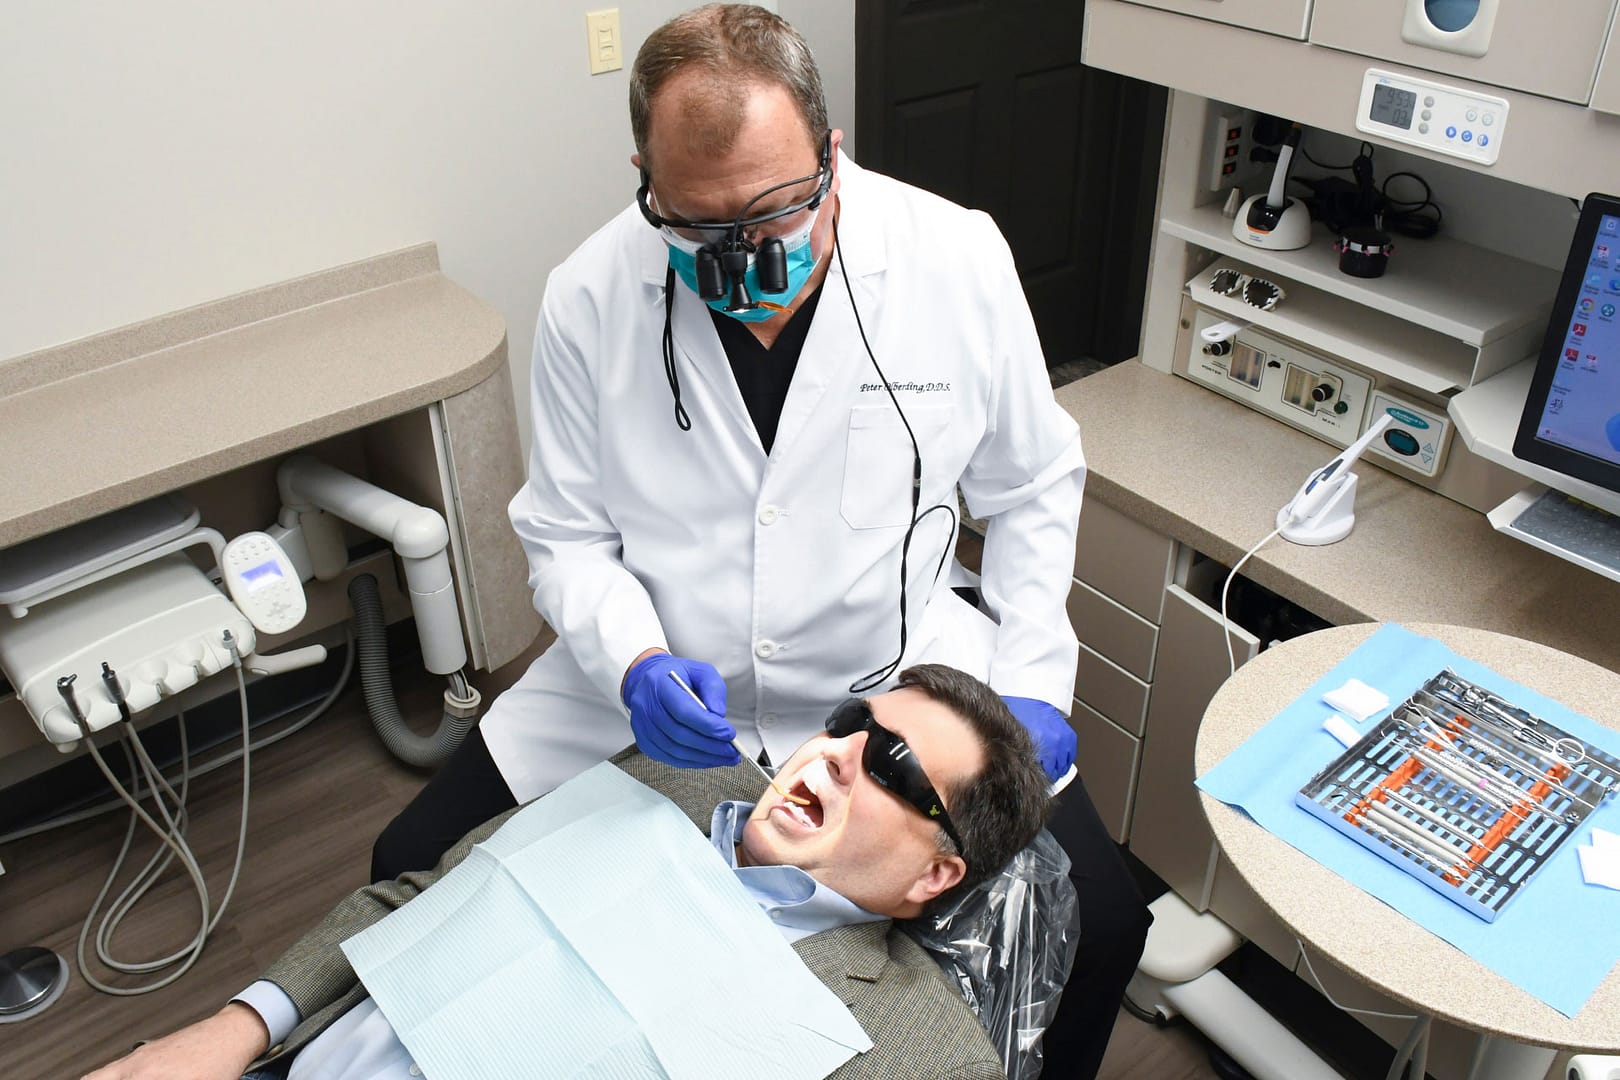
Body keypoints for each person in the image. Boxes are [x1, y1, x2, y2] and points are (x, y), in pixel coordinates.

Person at [370, 6, 1151, 1075]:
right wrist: (634, 662)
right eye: (698, 226)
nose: (743, 258)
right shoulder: (590, 295)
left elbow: (1032, 486)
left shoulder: (953, 259)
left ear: (831, 152)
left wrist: (1033, 686)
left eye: (778, 211)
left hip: (895, 700)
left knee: (1103, 921)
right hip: (663, 692)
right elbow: (564, 536)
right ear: (645, 178)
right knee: (409, 862)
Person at [84, 665, 1051, 1080]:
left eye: (891, 767)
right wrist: (231, 1029)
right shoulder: (674, 776)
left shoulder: (925, 1052)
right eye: (849, 725)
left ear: (934, 876)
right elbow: (416, 898)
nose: (837, 754)